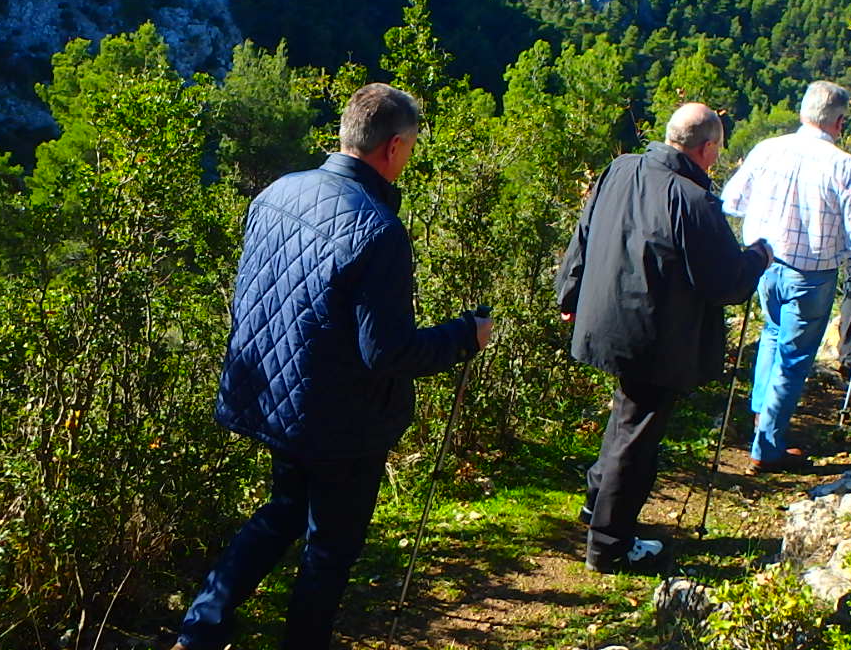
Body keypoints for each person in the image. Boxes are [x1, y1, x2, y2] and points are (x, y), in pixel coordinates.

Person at [176, 83, 493, 650]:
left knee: (283, 511)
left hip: (273, 396)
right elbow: (388, 352)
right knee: (329, 549)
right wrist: (464, 336)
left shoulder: (277, 192)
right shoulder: (378, 230)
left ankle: (200, 630)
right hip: (342, 419)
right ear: (394, 147)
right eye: (412, 145)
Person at [556, 103, 771, 574]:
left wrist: (567, 292)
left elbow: (584, 233)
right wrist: (758, 257)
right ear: (708, 148)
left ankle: (598, 510)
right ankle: (609, 545)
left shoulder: (622, 168)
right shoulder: (691, 200)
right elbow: (726, 284)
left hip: (605, 317)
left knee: (626, 419)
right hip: (653, 336)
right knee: (636, 439)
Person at [721, 81, 851, 471]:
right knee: (793, 358)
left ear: (802, 113)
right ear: (840, 121)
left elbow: (731, 200)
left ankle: (763, 420)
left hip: (764, 264)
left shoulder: (768, 149)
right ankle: (768, 448)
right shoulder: (844, 165)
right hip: (811, 273)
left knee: (772, 335)